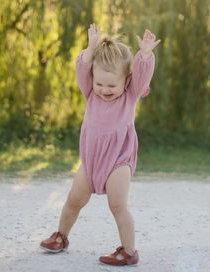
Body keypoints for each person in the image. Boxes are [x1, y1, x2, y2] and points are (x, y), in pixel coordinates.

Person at [39, 23, 161, 266]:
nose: (104, 90)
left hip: (118, 160)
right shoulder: (90, 92)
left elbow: (142, 75)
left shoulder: (130, 94)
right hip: (91, 161)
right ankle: (61, 236)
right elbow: (82, 68)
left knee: (117, 204)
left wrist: (145, 55)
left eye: (111, 85)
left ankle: (128, 251)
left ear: (126, 80)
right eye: (100, 84)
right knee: (74, 199)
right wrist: (89, 49)